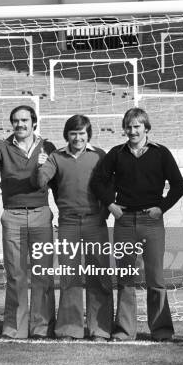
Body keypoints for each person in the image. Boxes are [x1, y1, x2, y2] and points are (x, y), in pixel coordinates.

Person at [91, 107, 183, 342]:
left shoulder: (161, 153)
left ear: (146, 128)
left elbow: (178, 186)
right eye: (129, 126)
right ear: (124, 128)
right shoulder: (116, 153)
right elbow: (97, 182)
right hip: (124, 223)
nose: (132, 131)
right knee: (126, 278)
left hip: (151, 222)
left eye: (137, 126)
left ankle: (162, 331)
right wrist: (110, 205)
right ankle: (124, 330)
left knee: (155, 279)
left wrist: (161, 208)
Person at [0, 105, 56, 339]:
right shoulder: (3, 145)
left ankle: (42, 328)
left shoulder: (47, 147)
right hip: (13, 216)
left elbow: (55, 176)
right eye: (16, 121)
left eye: (24, 120)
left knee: (42, 273)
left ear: (33, 123)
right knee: (15, 274)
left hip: (41, 213)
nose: (20, 124)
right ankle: (15, 328)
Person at [35, 115, 113, 341]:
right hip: (68, 223)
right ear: (66, 135)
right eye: (73, 133)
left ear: (88, 134)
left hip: (95, 222)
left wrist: (104, 215)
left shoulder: (100, 155)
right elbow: (41, 181)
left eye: (82, 133)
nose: (77, 138)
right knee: (70, 277)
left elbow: (110, 187)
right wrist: (40, 167)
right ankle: (70, 328)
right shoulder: (56, 157)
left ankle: (100, 329)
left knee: (99, 276)